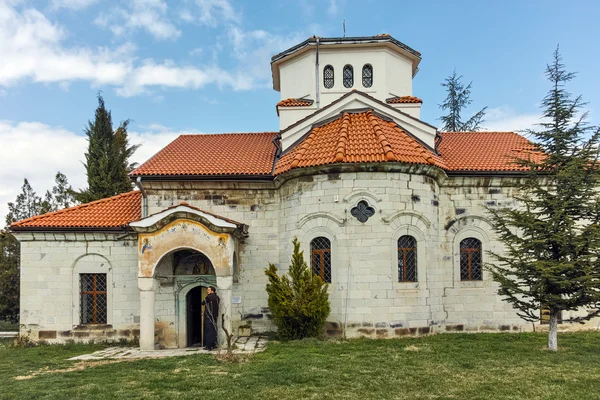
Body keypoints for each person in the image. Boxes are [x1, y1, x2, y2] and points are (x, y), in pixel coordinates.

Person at [201, 286, 220, 350]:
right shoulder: (217, 297)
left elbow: (202, 303)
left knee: (208, 331)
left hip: (208, 316)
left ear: (212, 291)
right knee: (213, 330)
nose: (207, 291)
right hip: (214, 316)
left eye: (208, 290)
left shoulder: (209, 297)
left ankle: (208, 346)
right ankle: (214, 344)